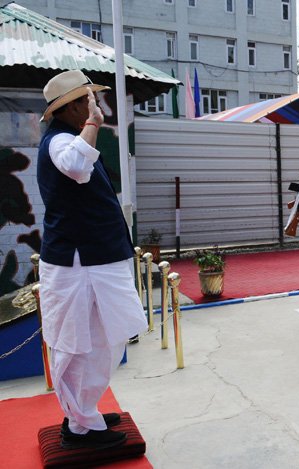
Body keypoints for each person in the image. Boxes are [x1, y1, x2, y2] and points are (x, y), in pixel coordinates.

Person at [36, 70, 147, 449]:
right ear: (70, 107)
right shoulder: (60, 141)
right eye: (88, 99)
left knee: (106, 339)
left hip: (96, 259)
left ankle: (85, 413)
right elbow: (76, 165)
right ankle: (80, 424)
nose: (94, 104)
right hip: (80, 263)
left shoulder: (69, 137)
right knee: (78, 344)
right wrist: (94, 124)